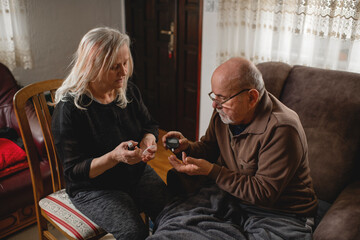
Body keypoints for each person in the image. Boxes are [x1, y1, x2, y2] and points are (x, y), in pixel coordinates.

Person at [149, 57, 318, 239]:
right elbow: (210, 148)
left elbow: (263, 193)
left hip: (280, 211)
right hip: (232, 195)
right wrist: (187, 147)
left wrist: (213, 172)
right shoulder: (224, 113)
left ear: (252, 97)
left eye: (222, 98)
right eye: (214, 96)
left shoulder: (282, 129)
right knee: (179, 223)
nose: (215, 105)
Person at [51, 27, 168, 240]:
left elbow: (149, 125)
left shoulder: (128, 90)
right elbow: (74, 172)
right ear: (92, 67)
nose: (124, 72)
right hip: (93, 188)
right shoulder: (69, 109)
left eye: (125, 63)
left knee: (173, 212)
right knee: (134, 232)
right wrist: (114, 157)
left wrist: (148, 141)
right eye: (115, 67)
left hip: (134, 174)